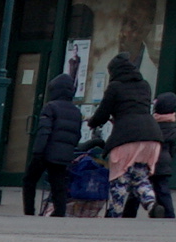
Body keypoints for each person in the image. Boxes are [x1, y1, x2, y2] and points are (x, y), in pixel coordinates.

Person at [86, 53, 163, 218]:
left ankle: (115, 212)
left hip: (126, 138)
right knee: (140, 177)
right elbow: (134, 107)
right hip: (152, 136)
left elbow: (103, 113)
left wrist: (92, 122)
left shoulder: (115, 87)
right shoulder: (145, 85)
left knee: (120, 178)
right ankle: (151, 204)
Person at [22, 73, 82, 216]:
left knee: (29, 180)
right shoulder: (76, 112)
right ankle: (59, 212)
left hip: (46, 152)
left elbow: (44, 131)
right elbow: (76, 135)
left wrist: (37, 152)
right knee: (58, 185)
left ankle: (29, 211)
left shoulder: (50, 107)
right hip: (64, 154)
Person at [149, 92, 176, 219]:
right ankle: (169, 214)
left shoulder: (151, 123)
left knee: (138, 189)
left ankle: (129, 214)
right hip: (163, 161)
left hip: (148, 159)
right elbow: (173, 147)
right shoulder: (172, 125)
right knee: (163, 191)